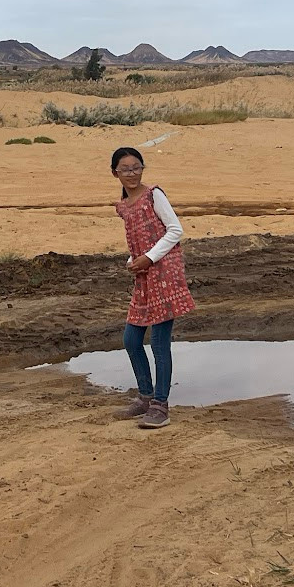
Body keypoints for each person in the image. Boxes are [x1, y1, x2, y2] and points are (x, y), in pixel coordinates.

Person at [110, 145, 195, 429]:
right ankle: (145, 398)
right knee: (131, 340)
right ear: (115, 174)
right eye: (126, 169)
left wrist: (148, 258)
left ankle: (161, 405)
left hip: (164, 274)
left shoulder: (154, 195)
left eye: (136, 167)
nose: (132, 173)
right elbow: (141, 238)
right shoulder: (124, 205)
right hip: (145, 275)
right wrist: (133, 260)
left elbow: (175, 230)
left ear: (142, 168)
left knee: (159, 342)